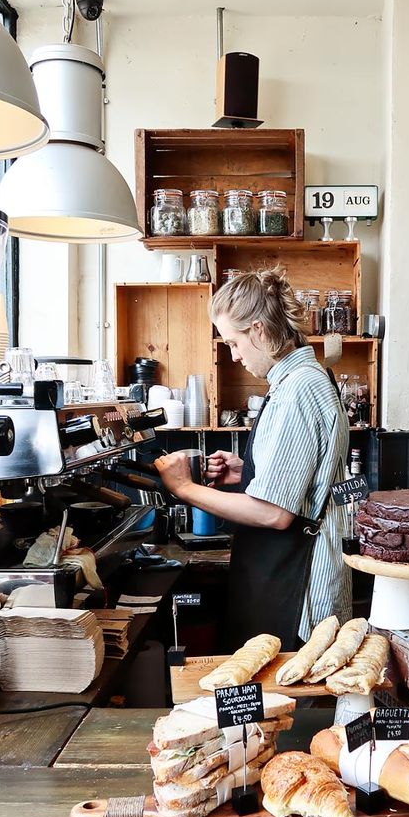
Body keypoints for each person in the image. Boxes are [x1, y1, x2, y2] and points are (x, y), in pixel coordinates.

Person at [155, 267, 352, 650]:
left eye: (233, 342)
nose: (233, 355)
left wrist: (184, 488)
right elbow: (306, 477)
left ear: (258, 330)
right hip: (295, 567)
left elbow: (272, 514)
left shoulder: (297, 391)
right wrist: (250, 473)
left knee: (287, 696)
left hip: (297, 583)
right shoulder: (304, 379)